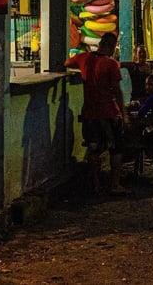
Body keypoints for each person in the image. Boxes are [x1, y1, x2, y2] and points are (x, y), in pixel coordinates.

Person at [65, 32, 128, 195]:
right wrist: (124, 113)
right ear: (112, 46)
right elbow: (117, 91)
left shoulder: (83, 58)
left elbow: (67, 63)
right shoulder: (111, 64)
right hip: (109, 112)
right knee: (116, 148)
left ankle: (96, 185)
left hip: (89, 112)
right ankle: (115, 184)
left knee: (93, 149)